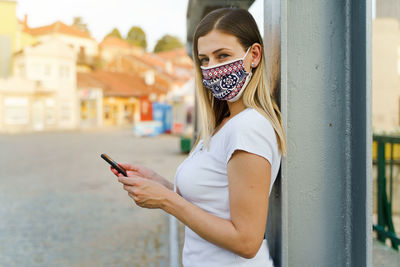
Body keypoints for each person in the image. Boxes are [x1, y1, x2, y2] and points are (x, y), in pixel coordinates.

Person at [110, 7, 287, 267]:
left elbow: (247, 242)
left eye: (222, 55)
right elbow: (212, 205)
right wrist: (160, 185)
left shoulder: (249, 128)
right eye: (204, 60)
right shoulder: (223, 124)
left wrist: (166, 201)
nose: (212, 68)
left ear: (254, 55)